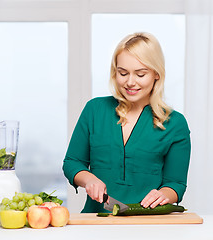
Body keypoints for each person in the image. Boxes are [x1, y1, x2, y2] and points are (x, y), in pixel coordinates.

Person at [63, 32, 191, 213]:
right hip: (95, 222)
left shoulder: (175, 123)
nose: (130, 82)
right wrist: (89, 179)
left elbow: (176, 183)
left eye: (140, 74)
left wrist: (164, 194)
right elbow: (72, 162)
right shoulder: (95, 110)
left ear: (156, 73)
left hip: (151, 225)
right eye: (123, 73)